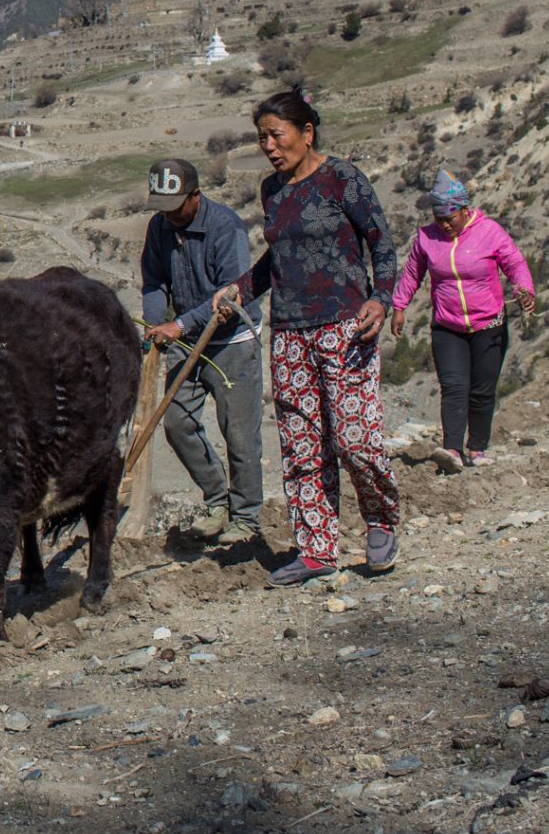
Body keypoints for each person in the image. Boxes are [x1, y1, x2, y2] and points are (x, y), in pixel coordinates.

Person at [209, 89, 403, 586]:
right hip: (290, 333)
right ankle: (316, 549)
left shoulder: (342, 179)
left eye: (276, 135)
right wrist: (239, 289)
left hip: (346, 325)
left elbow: (381, 243)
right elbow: (276, 262)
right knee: (302, 445)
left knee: (356, 440)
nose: (269, 147)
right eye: (262, 139)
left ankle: (380, 521)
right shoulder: (272, 190)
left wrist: (380, 297)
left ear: (306, 132)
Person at [138, 157, 264, 548]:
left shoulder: (225, 228)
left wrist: (180, 324)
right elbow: (154, 281)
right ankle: (217, 499)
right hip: (188, 340)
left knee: (239, 435)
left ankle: (245, 518)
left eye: (175, 207)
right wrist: (155, 324)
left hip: (231, 341)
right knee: (177, 424)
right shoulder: (160, 227)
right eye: (162, 207)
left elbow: (231, 292)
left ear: (195, 195)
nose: (168, 216)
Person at [390, 168, 535, 469]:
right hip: (448, 326)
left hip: (488, 324)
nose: (445, 225)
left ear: (465, 210)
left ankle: (477, 448)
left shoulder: (490, 232)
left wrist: (524, 289)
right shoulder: (426, 238)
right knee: (454, 386)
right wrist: (399, 306)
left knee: (481, 390)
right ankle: (452, 451)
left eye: (450, 218)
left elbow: (515, 263)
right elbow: (413, 273)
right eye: (439, 219)